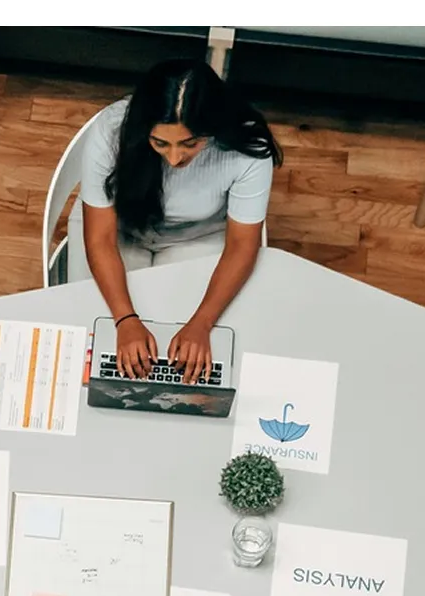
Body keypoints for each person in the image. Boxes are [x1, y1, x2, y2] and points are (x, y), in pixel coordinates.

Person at [68, 58, 284, 384]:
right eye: (160, 143)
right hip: (121, 229)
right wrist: (125, 318)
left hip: (197, 234)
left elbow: (242, 245)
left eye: (190, 143)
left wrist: (202, 322)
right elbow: (99, 238)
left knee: (193, 347)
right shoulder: (111, 131)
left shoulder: (246, 147)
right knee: (93, 336)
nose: (174, 158)